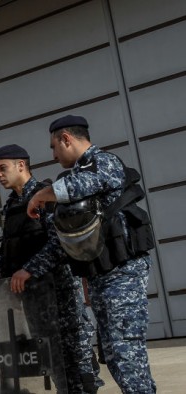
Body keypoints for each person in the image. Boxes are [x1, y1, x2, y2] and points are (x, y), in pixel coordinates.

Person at [27, 115, 156, 393]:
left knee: (127, 353)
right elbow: (61, 238)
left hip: (123, 275)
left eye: (54, 146)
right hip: (101, 277)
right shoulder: (74, 175)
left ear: (66, 139)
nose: (53, 154)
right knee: (113, 355)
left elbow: (85, 185)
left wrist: (41, 195)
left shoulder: (103, 163)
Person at [0, 144, 100, 393]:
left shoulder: (45, 196)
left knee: (76, 366)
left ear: (21, 165)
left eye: (3, 169)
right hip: (32, 300)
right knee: (52, 362)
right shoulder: (12, 204)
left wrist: (29, 269)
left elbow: (59, 242)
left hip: (59, 296)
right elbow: (8, 248)